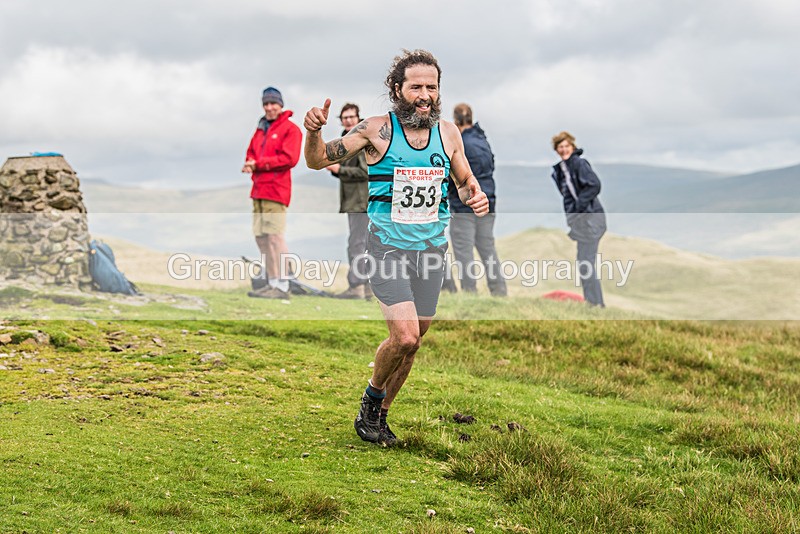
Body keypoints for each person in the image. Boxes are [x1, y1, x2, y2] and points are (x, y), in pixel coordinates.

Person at [303, 49, 489, 446]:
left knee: (415, 341)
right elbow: (317, 160)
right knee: (404, 337)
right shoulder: (375, 130)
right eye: (416, 87)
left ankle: (381, 417)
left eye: (432, 87)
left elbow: (464, 181)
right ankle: (371, 400)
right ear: (397, 89)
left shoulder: (449, 133)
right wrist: (314, 131)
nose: (425, 95)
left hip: (432, 251)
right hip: (387, 248)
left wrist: (476, 195)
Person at [242, 86, 302, 299]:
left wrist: (258, 164)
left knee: (276, 237)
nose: (269, 107)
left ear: (281, 104)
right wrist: (250, 163)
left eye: (273, 103)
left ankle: (284, 286)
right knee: (261, 238)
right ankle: (273, 281)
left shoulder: (290, 129)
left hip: (276, 190)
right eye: (266, 104)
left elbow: (290, 159)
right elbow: (251, 151)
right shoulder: (260, 129)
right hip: (258, 189)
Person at [447, 103, 507, 296]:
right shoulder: (483, 141)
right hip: (488, 202)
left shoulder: (461, 145)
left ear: (456, 120)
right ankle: (499, 293)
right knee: (488, 250)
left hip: (465, 207)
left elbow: (456, 177)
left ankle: (469, 294)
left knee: (464, 253)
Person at [550, 131, 607, 307]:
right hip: (580, 222)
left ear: (572, 147)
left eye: (567, 146)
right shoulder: (561, 170)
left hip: (591, 220)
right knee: (584, 264)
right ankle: (593, 303)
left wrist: (579, 207)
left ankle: (596, 305)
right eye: (560, 147)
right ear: (557, 150)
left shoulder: (579, 164)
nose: (564, 149)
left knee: (586, 263)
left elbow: (595, 185)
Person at [325, 103, 372, 300]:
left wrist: (339, 170)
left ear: (358, 118)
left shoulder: (358, 141)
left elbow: (364, 172)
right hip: (355, 200)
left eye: (351, 117)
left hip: (360, 201)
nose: (348, 121)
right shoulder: (347, 140)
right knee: (364, 244)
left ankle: (357, 286)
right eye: (344, 118)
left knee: (357, 244)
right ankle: (368, 288)